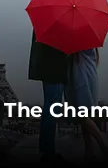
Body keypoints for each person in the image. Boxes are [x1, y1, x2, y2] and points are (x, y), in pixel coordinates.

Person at [28, 30, 69, 163]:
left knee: (48, 109)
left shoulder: (44, 26)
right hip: (56, 72)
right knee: (52, 111)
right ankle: (48, 152)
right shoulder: (60, 29)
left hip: (47, 71)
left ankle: (46, 149)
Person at [65, 48, 108, 162]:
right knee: (85, 119)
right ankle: (89, 152)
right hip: (89, 78)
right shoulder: (91, 46)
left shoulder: (79, 45)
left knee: (83, 117)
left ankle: (104, 148)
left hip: (82, 79)